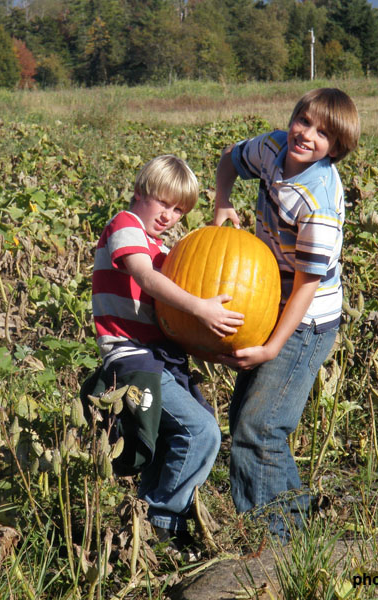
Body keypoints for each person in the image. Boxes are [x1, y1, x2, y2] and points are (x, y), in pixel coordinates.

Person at [212, 88, 360, 540]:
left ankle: (275, 543)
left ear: (335, 148)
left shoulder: (319, 204)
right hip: (270, 299)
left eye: (322, 133)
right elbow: (228, 159)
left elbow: (307, 285)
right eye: (304, 120)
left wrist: (272, 346)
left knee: (262, 427)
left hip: (307, 319)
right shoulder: (272, 148)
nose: (307, 134)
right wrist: (222, 202)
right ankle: (296, 529)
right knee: (246, 422)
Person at [88, 154, 244, 548]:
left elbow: (171, 322)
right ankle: (162, 522)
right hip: (130, 356)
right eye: (163, 203)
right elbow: (143, 276)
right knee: (200, 430)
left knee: (170, 438)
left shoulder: (162, 248)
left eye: (179, 210)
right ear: (141, 192)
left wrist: (217, 351)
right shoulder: (125, 227)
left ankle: (142, 528)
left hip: (160, 355)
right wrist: (200, 305)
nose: (169, 215)